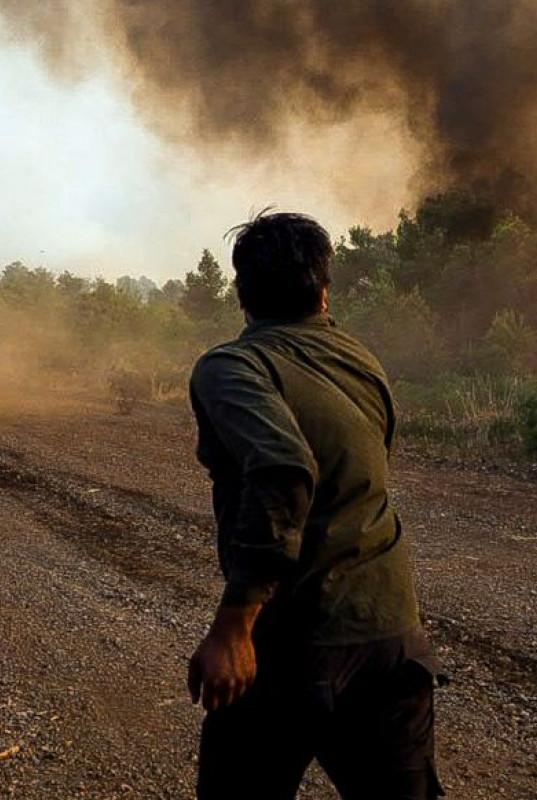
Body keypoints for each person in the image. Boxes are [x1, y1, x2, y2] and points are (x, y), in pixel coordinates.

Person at [187, 212, 444, 799]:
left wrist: (234, 626)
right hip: (394, 638)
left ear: (240, 292)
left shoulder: (232, 366)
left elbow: (283, 470)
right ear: (325, 289)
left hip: (297, 642)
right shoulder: (360, 358)